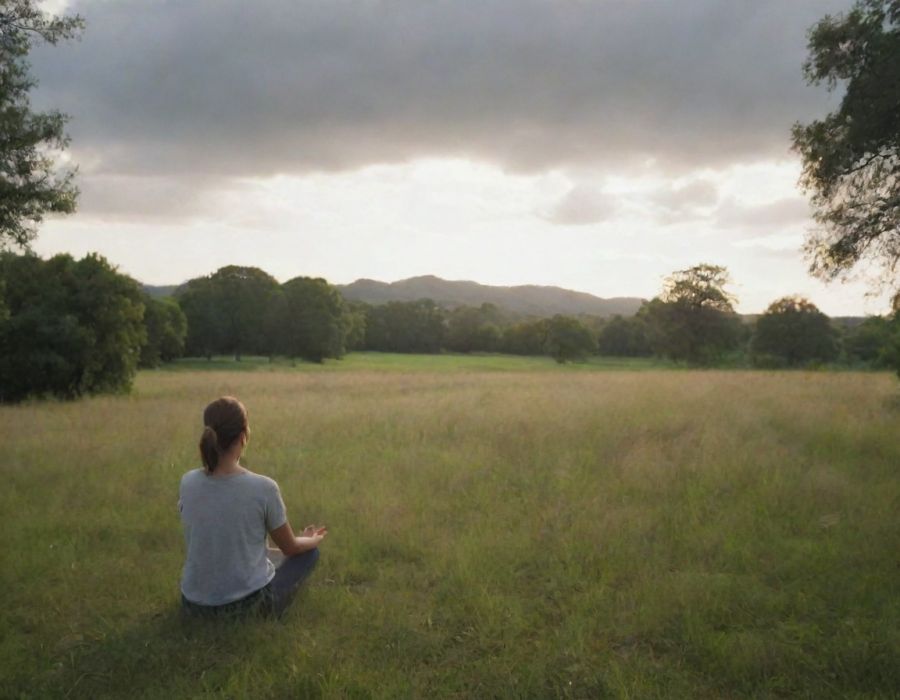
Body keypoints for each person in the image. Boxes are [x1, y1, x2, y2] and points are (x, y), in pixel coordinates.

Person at [178, 396, 327, 618]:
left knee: (268, 553)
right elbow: (291, 548)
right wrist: (311, 540)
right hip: (248, 607)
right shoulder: (263, 488)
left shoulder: (188, 481)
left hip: (192, 606)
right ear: (243, 435)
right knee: (309, 554)